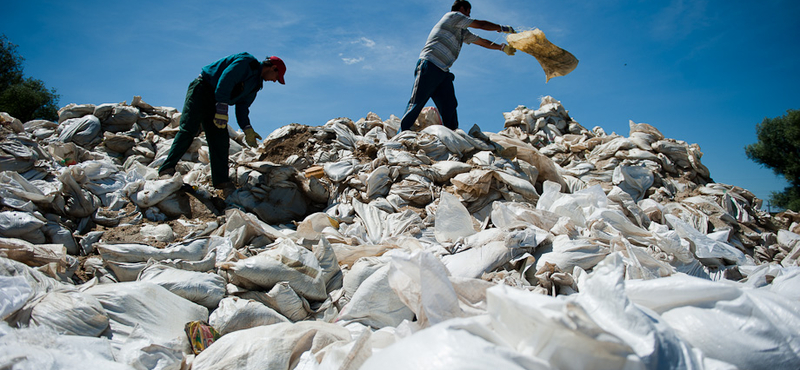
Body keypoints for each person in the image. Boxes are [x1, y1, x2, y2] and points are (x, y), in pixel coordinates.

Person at [158, 52, 286, 189]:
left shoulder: (255, 85)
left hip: (217, 101)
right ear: (273, 68)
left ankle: (221, 181)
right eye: (276, 77)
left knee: (220, 139)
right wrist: (222, 106)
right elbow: (227, 79)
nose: (274, 81)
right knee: (189, 129)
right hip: (202, 90)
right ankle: (166, 169)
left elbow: (242, 107)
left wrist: (247, 128)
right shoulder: (247, 63)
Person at [400, 0, 516, 132]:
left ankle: (453, 135)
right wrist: (501, 28)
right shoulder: (453, 16)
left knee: (449, 105)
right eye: (468, 12)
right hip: (430, 64)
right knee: (417, 102)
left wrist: (501, 48)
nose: (468, 16)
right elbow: (481, 24)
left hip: (443, 71)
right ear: (462, 9)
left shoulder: (461, 31)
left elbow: (481, 41)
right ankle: (402, 133)